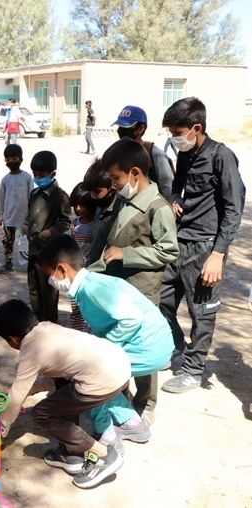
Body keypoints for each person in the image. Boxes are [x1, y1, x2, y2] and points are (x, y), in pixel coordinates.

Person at [39, 235, 173, 446]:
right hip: (147, 342)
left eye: (50, 275)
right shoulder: (86, 286)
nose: (51, 281)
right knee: (92, 367)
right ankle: (133, 423)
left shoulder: (93, 288)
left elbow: (131, 319)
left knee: (89, 375)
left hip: (149, 347)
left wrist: (104, 347)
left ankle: (105, 433)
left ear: (62, 269)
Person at [0, 299, 129, 489]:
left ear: (12, 339)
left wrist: (1, 430)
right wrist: (29, 391)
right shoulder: (47, 328)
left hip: (102, 381)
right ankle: (71, 452)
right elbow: (54, 377)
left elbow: (17, 394)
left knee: (42, 413)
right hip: (119, 364)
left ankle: (104, 455)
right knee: (63, 385)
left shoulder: (31, 351)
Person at [86, 138, 179, 415]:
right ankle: (121, 394)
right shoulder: (125, 200)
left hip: (142, 290)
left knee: (143, 344)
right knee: (118, 343)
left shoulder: (158, 207)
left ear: (135, 173)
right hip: (119, 288)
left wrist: (126, 255)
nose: (113, 184)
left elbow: (168, 250)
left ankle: (146, 402)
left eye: (116, 178)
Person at [159, 97, 245, 394]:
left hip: (205, 247)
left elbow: (234, 208)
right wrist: (175, 200)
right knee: (161, 302)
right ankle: (177, 350)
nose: (175, 138)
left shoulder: (222, 156)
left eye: (178, 132)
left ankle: (194, 371)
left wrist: (218, 255)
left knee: (202, 312)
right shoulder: (187, 154)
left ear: (197, 128)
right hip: (180, 241)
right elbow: (176, 186)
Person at [23, 150, 73, 323]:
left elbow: (66, 220)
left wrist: (50, 232)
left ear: (52, 174)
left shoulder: (61, 196)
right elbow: (29, 215)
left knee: (49, 291)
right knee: (34, 288)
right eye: (35, 174)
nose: (37, 178)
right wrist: (26, 224)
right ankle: (38, 321)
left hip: (49, 254)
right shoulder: (34, 194)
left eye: (41, 175)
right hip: (33, 250)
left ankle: (50, 324)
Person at [112, 105, 174, 200]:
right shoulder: (119, 151)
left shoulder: (155, 154)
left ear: (141, 128)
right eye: (120, 127)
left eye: (126, 128)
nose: (120, 131)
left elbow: (167, 189)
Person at [0, 143, 33, 273]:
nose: (11, 161)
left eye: (14, 158)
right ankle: (8, 263)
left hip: (24, 219)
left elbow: (32, 198)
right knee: (7, 242)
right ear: (5, 160)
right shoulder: (5, 180)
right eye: (8, 159)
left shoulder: (27, 178)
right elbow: (2, 200)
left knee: (26, 242)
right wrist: (0, 217)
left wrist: (30, 217)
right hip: (9, 218)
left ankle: (29, 264)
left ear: (21, 159)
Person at [82, 160, 125, 264]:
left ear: (111, 187)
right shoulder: (99, 206)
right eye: (90, 191)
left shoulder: (119, 209)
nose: (92, 196)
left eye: (97, 191)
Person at [68, 182, 97, 332]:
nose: (79, 209)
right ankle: (78, 333)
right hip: (75, 273)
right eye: (76, 205)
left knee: (89, 308)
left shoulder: (96, 225)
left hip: (90, 273)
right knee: (76, 307)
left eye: (83, 205)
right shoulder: (74, 224)